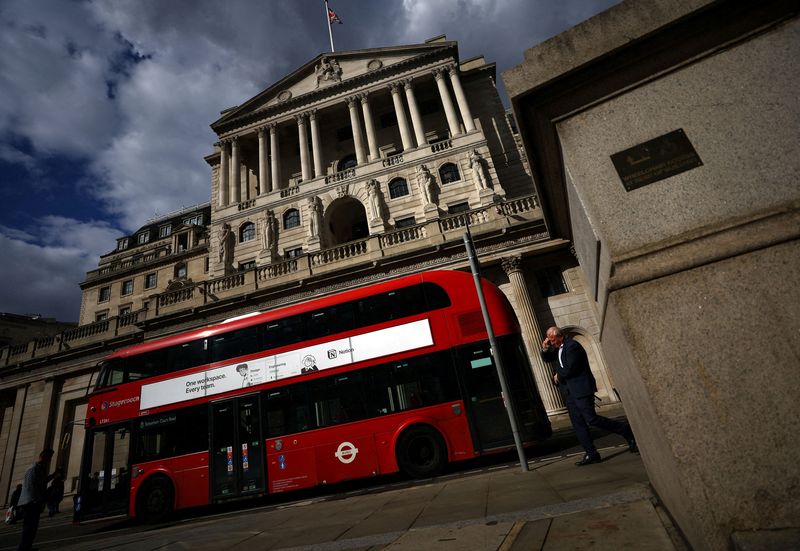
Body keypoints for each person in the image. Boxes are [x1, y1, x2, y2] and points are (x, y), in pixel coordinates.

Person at [541, 327, 637, 466]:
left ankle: (625, 430)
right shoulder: (559, 348)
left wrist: (558, 375)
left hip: (581, 389)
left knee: (591, 419)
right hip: (570, 393)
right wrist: (545, 348)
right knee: (578, 424)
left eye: (552, 340)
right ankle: (591, 453)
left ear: (560, 336)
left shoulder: (573, 346)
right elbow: (548, 358)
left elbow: (569, 368)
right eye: (550, 340)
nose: (552, 343)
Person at [16, 448, 54, 551]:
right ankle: (23, 548)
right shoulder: (33, 469)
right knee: (29, 528)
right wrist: (37, 500)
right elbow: (30, 486)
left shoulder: (39, 469)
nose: (49, 461)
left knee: (32, 528)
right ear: (44, 457)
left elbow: (43, 481)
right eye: (49, 458)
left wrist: (53, 475)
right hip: (30, 503)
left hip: (33, 502)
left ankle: (27, 547)